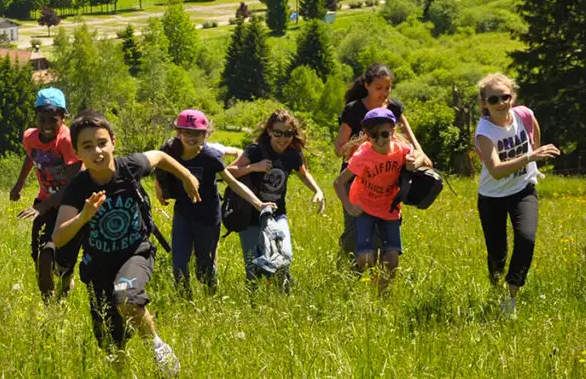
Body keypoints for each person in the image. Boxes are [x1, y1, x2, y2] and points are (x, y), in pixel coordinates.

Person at [52, 110, 201, 376]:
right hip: (98, 265)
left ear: (113, 142)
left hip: (135, 253)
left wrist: (186, 176)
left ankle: (157, 347)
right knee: (111, 344)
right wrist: (84, 216)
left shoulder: (130, 166)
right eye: (87, 146)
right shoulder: (77, 188)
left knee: (126, 298)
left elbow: (161, 156)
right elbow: (59, 236)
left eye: (102, 142)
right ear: (77, 152)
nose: (97, 151)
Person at [153, 109, 275, 295]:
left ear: (205, 134)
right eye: (186, 132)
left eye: (197, 133)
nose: (191, 138)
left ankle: (211, 293)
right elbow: (160, 166)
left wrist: (259, 204)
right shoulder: (171, 152)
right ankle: (185, 301)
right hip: (183, 216)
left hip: (208, 219)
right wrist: (158, 187)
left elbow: (232, 183)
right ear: (178, 133)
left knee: (204, 266)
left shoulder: (210, 157)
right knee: (179, 262)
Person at [473, 73, 560, 315]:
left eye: (505, 96)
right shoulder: (484, 132)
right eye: (493, 99)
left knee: (526, 239)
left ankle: (510, 297)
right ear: (484, 104)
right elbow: (496, 170)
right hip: (492, 197)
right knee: (497, 253)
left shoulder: (524, 115)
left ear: (513, 97)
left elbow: (534, 136)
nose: (501, 103)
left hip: (523, 189)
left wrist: (533, 163)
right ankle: (496, 289)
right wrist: (530, 157)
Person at [334, 63, 423, 260]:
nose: (384, 93)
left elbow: (414, 145)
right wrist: (366, 146)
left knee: (384, 232)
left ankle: (380, 273)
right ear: (367, 85)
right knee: (354, 229)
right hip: (355, 178)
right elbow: (339, 148)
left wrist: (415, 159)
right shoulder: (353, 110)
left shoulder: (394, 109)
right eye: (378, 88)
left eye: (387, 88)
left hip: (387, 181)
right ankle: (351, 271)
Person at [333, 109, 430, 290]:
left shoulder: (402, 149)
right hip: (364, 206)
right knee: (365, 259)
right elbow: (338, 182)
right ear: (367, 135)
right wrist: (348, 206)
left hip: (389, 207)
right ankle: (366, 281)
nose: (379, 140)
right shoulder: (363, 156)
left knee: (392, 260)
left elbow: (422, 157)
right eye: (373, 136)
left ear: (393, 131)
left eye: (384, 134)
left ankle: (382, 294)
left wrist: (415, 163)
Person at [228, 110, 325, 283]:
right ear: (269, 131)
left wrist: (318, 190)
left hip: (277, 213)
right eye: (278, 133)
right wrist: (253, 167)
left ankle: (283, 292)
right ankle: (255, 302)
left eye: (288, 133)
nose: (283, 138)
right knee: (253, 267)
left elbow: (303, 174)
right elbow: (228, 173)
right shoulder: (255, 151)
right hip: (250, 214)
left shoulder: (293, 154)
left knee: (285, 255)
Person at [9, 88, 83, 300]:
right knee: (41, 255)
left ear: (63, 116)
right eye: (42, 120)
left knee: (57, 254)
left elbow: (72, 185)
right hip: (44, 200)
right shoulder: (30, 137)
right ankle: (48, 305)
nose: (47, 126)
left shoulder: (66, 141)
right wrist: (19, 185)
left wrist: (40, 208)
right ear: (36, 117)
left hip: (70, 203)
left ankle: (65, 279)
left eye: (53, 120)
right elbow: (31, 157)